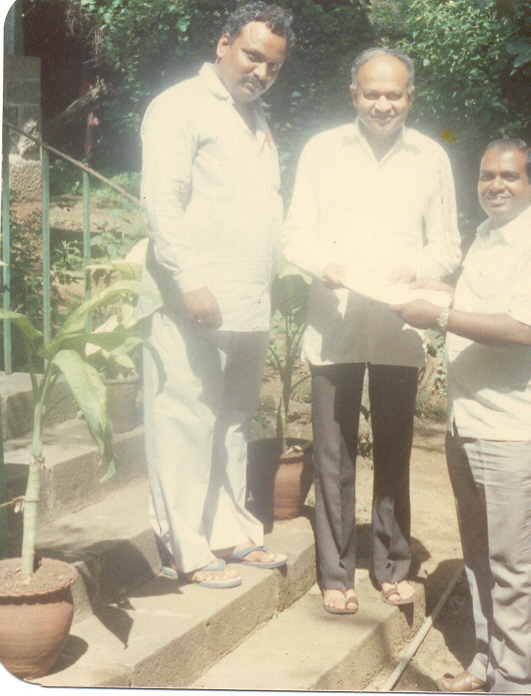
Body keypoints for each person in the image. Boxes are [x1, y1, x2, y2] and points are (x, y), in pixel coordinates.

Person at [391, 139, 531, 692]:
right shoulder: (489, 235)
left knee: (514, 567)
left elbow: (522, 328)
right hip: (468, 422)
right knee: (478, 557)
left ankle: (516, 682)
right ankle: (488, 664)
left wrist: (439, 314)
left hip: (516, 431)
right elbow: (487, 304)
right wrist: (443, 291)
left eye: (509, 176)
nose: (495, 185)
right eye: (486, 175)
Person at [282, 47, 461, 614]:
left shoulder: (431, 157)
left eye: (394, 94)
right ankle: (336, 574)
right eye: (372, 93)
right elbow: (296, 233)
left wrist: (415, 270)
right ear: (353, 93)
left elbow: (447, 245)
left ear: (411, 96)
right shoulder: (321, 150)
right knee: (333, 453)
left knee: (394, 449)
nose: (383, 104)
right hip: (334, 319)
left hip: (398, 324)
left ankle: (392, 565)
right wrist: (322, 263)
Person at [138, 2, 293, 589]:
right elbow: (162, 201)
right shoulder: (179, 105)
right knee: (184, 417)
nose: (261, 71)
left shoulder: (255, 116)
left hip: (248, 297)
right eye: (253, 55)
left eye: (273, 65)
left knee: (231, 419)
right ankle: (183, 546)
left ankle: (226, 530)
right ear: (223, 42)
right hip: (194, 296)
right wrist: (188, 281)